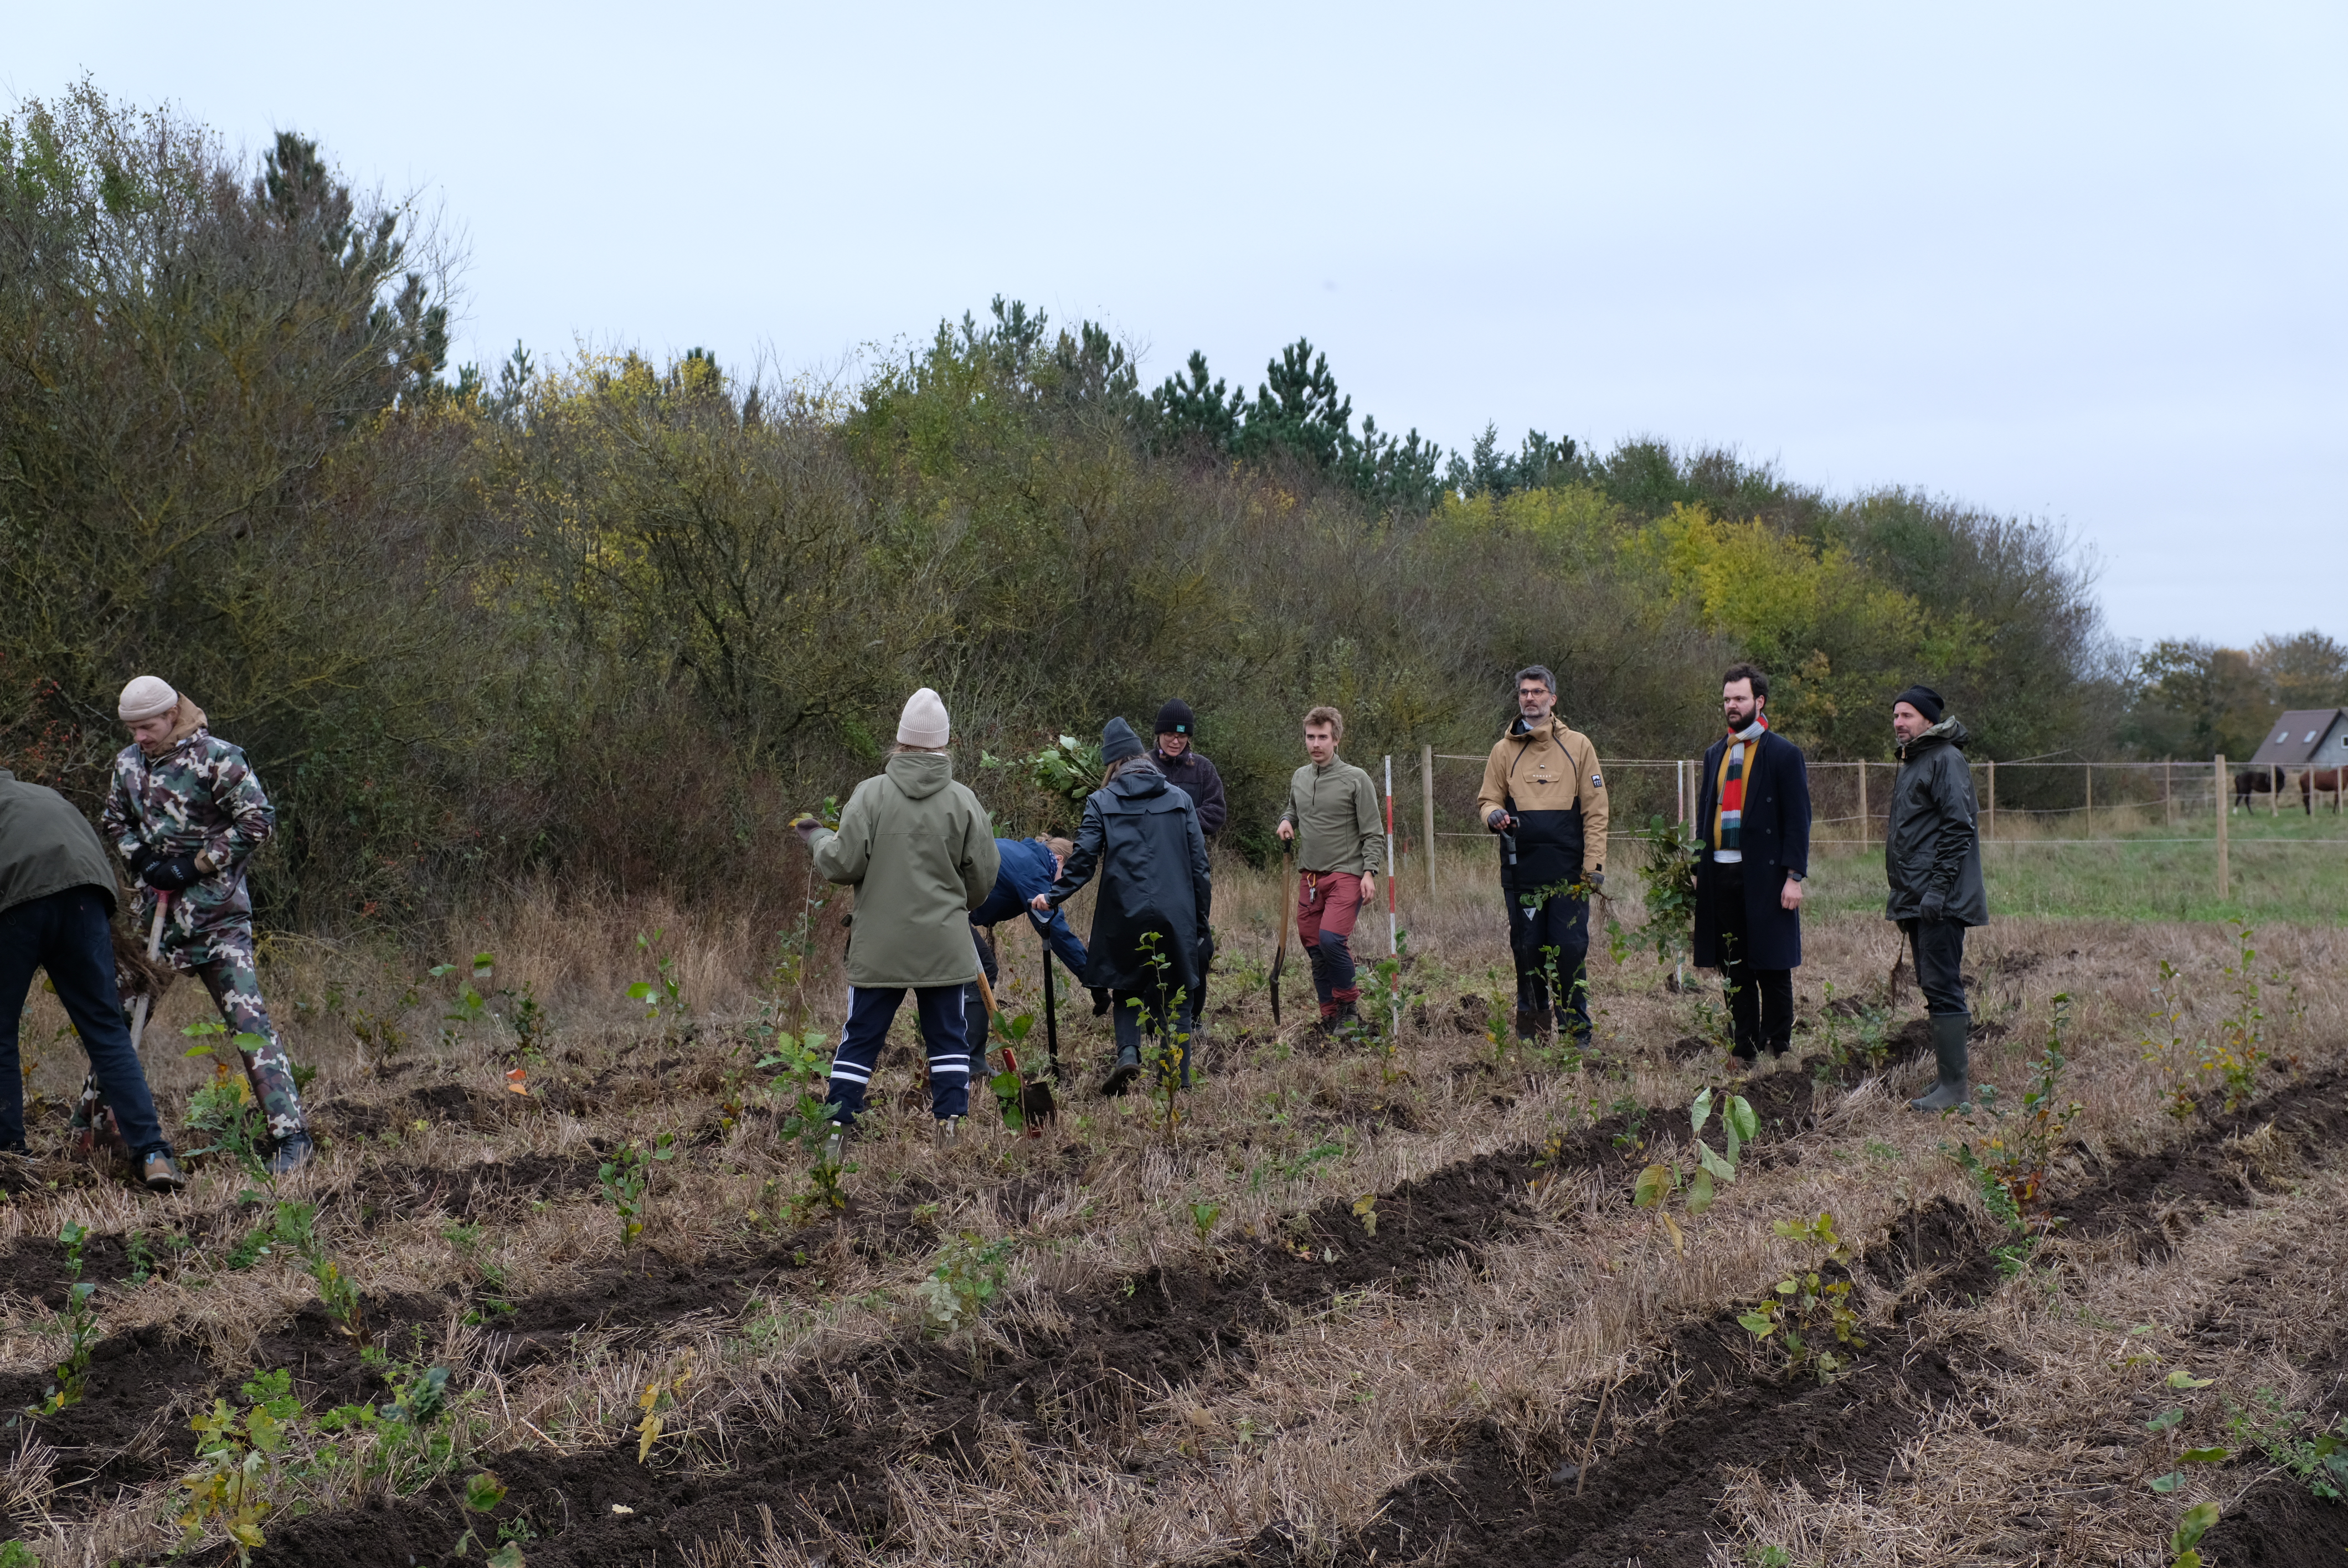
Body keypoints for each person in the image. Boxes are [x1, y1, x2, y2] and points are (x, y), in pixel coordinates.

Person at [100, 678, 313, 1173]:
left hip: (218, 921)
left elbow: (257, 821)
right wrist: (145, 861)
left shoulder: (220, 758)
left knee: (250, 1026)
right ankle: (88, 1132)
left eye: (148, 727)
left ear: (172, 714)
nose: (141, 738)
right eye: (132, 729)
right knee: (113, 1023)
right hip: (156, 922)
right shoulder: (128, 765)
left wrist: (193, 866)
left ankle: (291, 1138)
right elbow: (115, 821)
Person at [796, 688, 1000, 1146]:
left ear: (901, 740)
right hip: (944, 945)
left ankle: (837, 1129)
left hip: (880, 946)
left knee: (861, 1036)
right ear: (944, 743)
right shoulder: (965, 802)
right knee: (949, 1037)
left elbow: (841, 865)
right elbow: (984, 878)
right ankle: (950, 1128)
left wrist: (816, 839)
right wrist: (954, 905)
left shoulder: (869, 795)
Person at [0, 767, 186, 1192]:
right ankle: (153, 1154)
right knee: (106, 1030)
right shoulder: (42, 793)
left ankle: (10, 1159)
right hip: (88, 899)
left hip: (20, 906)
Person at [1032, 718, 1212, 1095]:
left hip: (1123, 911)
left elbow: (1082, 861)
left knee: (1126, 987)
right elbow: (1200, 868)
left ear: (1112, 763)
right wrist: (1199, 922)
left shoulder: (1101, 801)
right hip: (1174, 912)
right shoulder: (1180, 800)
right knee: (1176, 994)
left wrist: (1053, 896)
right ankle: (1175, 1080)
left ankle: (1129, 1053)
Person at [1476, 667, 1606, 1044]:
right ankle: (1531, 1030)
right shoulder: (1503, 751)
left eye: (1538, 691)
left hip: (1570, 874)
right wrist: (1492, 815)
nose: (1530, 698)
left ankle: (1575, 1031)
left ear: (1553, 699)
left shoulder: (1579, 746)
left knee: (1568, 949)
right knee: (1528, 950)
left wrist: (1594, 867)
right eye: (1524, 692)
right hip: (1522, 872)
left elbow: (1596, 811)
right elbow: (1487, 799)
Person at [1691, 664, 1812, 1062]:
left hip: (1766, 875)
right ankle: (1745, 1047)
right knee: (1734, 966)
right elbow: (1705, 814)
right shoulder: (1715, 754)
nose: (1732, 705)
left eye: (1740, 698)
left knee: (1773, 965)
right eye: (1727, 699)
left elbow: (1798, 819)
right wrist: (1698, 867)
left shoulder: (1783, 753)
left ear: (1759, 701)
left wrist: (1794, 876)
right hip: (1721, 873)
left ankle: (1779, 1046)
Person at [1885, 684, 1988, 1112]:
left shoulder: (1946, 759)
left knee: (1943, 984)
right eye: (1895, 716)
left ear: (1928, 720)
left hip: (1938, 899)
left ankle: (1954, 1090)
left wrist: (1937, 890)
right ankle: (1947, 1082)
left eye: (1907, 715)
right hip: (1917, 896)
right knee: (1932, 982)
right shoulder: (1915, 761)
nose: (1898, 723)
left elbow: (1957, 828)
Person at [1277, 706, 1382, 1035]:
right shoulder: (1300, 776)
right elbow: (1293, 808)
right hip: (1309, 878)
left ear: (1336, 739)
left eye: (1323, 737)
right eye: (1311, 737)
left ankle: (1349, 1009)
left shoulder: (1356, 778)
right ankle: (1330, 1014)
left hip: (1346, 874)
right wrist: (1286, 821)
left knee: (1331, 939)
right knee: (1314, 947)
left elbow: (1373, 831)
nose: (1316, 744)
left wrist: (1369, 872)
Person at [964, 834, 1089, 1077]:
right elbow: (1055, 929)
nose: (1064, 887)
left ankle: (960, 1056)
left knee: (966, 973)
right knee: (980, 970)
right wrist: (1091, 976)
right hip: (945, 908)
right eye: (1067, 877)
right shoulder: (1031, 868)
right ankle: (972, 1064)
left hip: (943, 904)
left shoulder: (1023, 852)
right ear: (1059, 860)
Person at [1150, 700, 1228, 839]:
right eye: (1170, 734)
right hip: (1148, 854)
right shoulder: (1144, 765)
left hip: (1190, 855)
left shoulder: (1203, 768)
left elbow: (1216, 813)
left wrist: (1178, 820)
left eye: (1182, 736)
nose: (1176, 742)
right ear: (1159, 734)